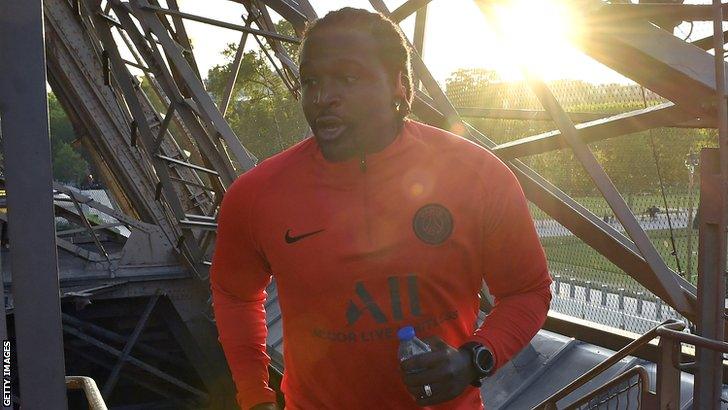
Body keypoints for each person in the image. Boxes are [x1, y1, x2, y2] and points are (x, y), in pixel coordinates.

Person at [210, 8, 552, 410]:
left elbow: (527, 290)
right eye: (311, 81)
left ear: (399, 86)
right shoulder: (256, 195)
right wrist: (255, 396)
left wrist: (472, 358)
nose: (323, 98)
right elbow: (234, 294)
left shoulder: (477, 175)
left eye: (348, 79)